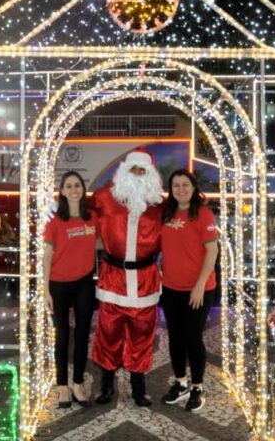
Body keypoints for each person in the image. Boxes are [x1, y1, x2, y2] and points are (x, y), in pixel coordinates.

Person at [90, 149, 164, 406]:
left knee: (142, 336)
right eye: (133, 169)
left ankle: (138, 386)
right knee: (108, 333)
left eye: (142, 170)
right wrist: (57, 209)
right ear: (124, 171)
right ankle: (107, 383)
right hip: (113, 278)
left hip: (145, 281)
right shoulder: (103, 198)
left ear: (151, 175)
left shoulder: (158, 205)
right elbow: (78, 212)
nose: (137, 174)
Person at [160, 170, 218, 412]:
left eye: (185, 185)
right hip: (171, 288)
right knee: (175, 337)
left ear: (193, 187)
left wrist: (198, 287)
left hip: (199, 289)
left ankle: (197, 386)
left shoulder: (203, 213)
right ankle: (181, 383)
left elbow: (212, 251)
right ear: (170, 189)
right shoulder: (166, 213)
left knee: (192, 338)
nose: (181, 189)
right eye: (176, 185)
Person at [43, 171, 97, 408]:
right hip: (58, 284)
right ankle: (62, 386)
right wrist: (45, 290)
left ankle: (78, 384)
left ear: (82, 189)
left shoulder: (92, 217)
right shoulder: (55, 220)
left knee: (83, 334)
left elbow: (103, 242)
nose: (74, 189)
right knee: (62, 336)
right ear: (62, 191)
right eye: (69, 186)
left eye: (77, 185)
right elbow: (46, 256)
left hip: (84, 282)